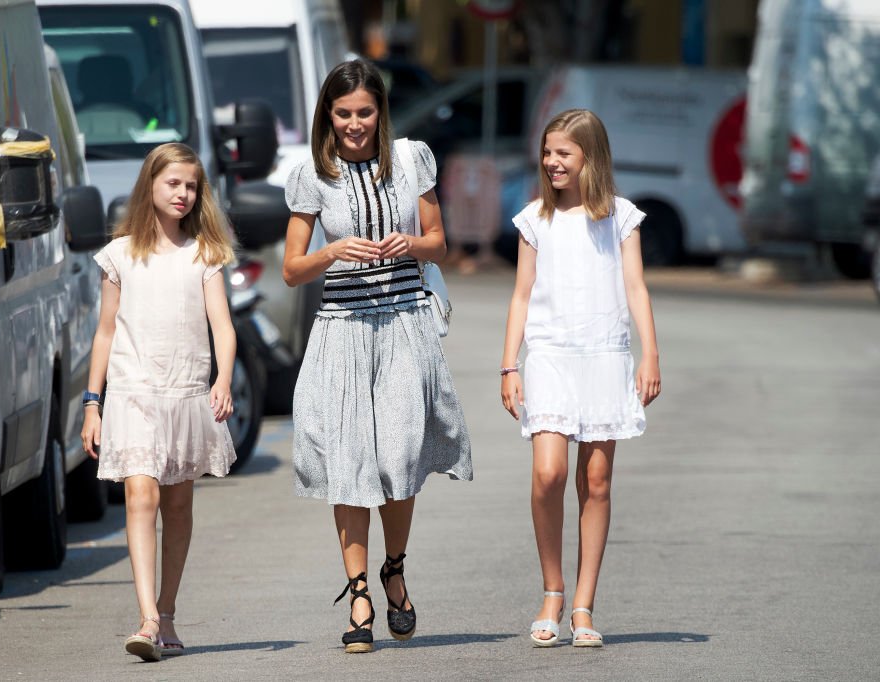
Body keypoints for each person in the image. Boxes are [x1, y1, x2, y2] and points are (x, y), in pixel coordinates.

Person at [283, 59, 472, 654]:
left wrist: (409, 243)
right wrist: (333, 249)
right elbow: (291, 270)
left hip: (401, 327)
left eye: (365, 112)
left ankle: (395, 567)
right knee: (348, 464)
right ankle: (359, 591)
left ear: (380, 113)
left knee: (398, 457)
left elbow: (440, 243)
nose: (355, 124)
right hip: (341, 331)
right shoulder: (313, 175)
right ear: (328, 116)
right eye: (344, 114)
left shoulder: (412, 159)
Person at [499, 109, 661, 648]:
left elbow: (636, 288)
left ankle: (585, 605)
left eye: (562, 153)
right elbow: (521, 295)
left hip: (604, 356)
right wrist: (508, 364)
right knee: (549, 473)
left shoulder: (621, 218)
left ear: (588, 157)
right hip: (548, 356)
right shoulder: (533, 221)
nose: (551, 162)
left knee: (596, 480)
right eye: (547, 153)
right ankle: (552, 589)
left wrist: (649, 354)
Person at [81, 142, 237, 662]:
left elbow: (223, 327)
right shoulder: (119, 254)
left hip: (187, 393)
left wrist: (224, 378)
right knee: (140, 495)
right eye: (173, 184)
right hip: (133, 394)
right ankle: (146, 618)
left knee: (178, 502)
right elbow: (104, 333)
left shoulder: (204, 254)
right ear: (150, 185)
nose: (184, 194)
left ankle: (167, 611)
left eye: (192, 186)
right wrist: (91, 402)